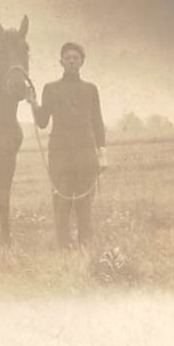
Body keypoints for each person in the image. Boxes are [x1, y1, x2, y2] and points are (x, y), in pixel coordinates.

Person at [27, 42, 107, 249]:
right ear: (61, 62)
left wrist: (102, 154)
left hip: (86, 152)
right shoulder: (51, 89)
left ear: (82, 62)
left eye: (76, 58)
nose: (72, 61)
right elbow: (43, 122)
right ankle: (64, 247)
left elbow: (97, 122)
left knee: (85, 203)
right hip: (60, 153)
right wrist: (34, 103)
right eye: (68, 57)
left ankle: (85, 246)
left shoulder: (91, 89)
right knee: (61, 202)